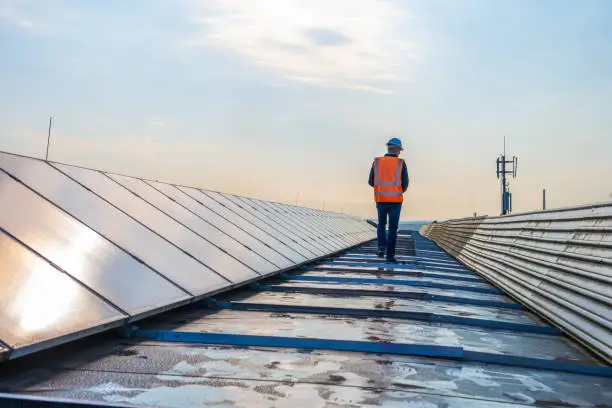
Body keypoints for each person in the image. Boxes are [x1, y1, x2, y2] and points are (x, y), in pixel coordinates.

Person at [368, 138, 409, 263]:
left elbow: (371, 181)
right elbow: (405, 184)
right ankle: (390, 257)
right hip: (395, 201)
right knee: (392, 228)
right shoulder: (401, 163)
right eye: (400, 150)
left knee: (381, 224)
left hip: (380, 199)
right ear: (396, 149)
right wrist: (396, 190)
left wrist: (381, 188)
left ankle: (381, 248)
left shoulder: (377, 162)